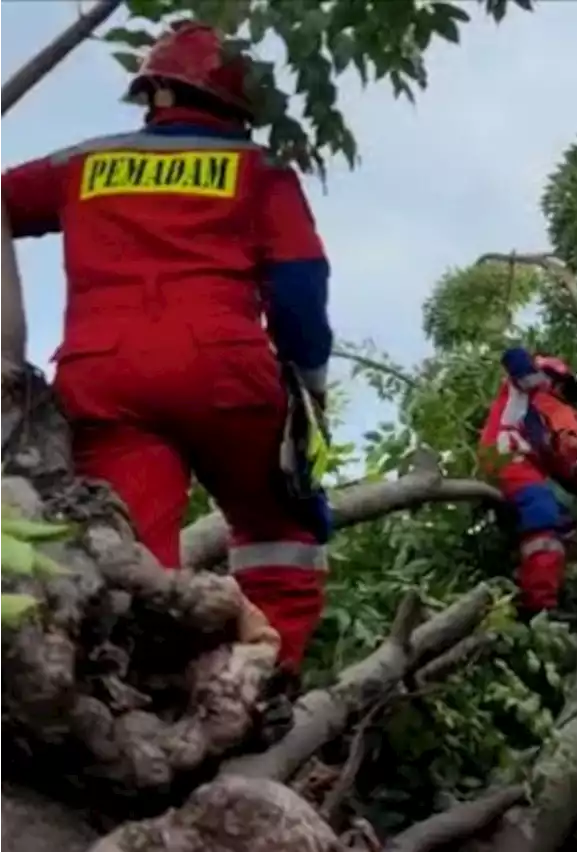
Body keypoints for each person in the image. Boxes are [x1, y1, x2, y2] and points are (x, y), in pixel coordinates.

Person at [0, 22, 333, 685]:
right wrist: (308, 390)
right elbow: (299, 288)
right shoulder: (259, 169)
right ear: (240, 108)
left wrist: (9, 347)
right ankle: (267, 687)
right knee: (282, 535)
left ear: (153, 93)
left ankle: (141, 690)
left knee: (134, 558)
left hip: (104, 377)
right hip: (225, 371)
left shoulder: (84, 165)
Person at [478, 347, 577, 616]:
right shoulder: (522, 393)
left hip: (522, 470)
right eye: (563, 391)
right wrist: (535, 379)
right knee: (543, 509)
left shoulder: (543, 441)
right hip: (505, 457)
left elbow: (575, 478)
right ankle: (538, 604)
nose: (565, 403)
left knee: (564, 526)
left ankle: (534, 586)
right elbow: (513, 355)